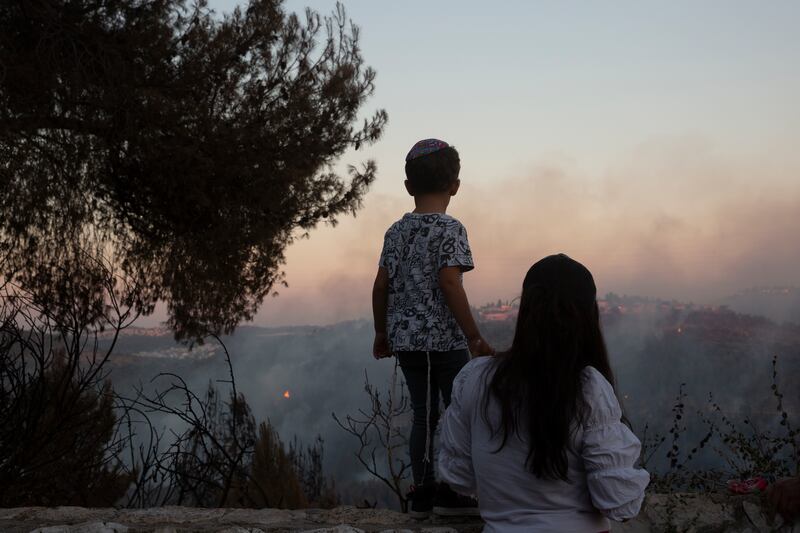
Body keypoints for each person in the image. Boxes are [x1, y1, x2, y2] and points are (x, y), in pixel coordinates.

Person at [438, 254, 649, 532]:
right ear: (587, 316)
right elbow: (619, 503)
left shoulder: (475, 378)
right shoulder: (588, 387)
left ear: (525, 309)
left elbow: (459, 478)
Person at [372, 138, 494, 518]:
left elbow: (380, 285)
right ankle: (454, 491)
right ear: (455, 185)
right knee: (461, 411)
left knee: (423, 416)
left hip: (407, 342)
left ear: (408, 186)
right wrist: (474, 336)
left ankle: (423, 492)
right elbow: (449, 282)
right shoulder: (451, 229)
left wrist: (382, 333)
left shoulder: (395, 232)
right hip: (446, 342)